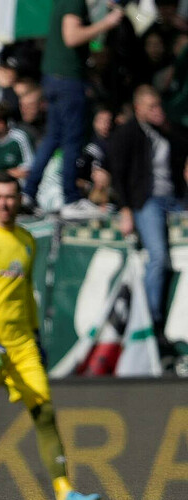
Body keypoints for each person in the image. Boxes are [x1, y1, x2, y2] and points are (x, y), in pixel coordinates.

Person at [0, 172, 100, 500]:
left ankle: (64, 494)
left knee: (44, 412)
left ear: (19, 200)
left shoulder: (27, 240)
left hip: (20, 344)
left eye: (10, 197)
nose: (4, 203)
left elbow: (26, 295)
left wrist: (34, 334)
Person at [22, 1, 124, 215]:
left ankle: (29, 192)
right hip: (68, 81)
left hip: (55, 79)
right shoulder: (74, 1)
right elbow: (72, 36)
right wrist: (107, 22)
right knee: (72, 140)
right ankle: (71, 199)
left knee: (53, 138)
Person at [110, 86, 188, 341]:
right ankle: (150, 321)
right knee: (157, 256)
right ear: (138, 108)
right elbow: (118, 174)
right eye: (151, 107)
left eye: (159, 106)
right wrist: (126, 209)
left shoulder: (167, 131)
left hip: (174, 198)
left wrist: (168, 128)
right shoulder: (129, 133)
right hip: (148, 200)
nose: (157, 111)